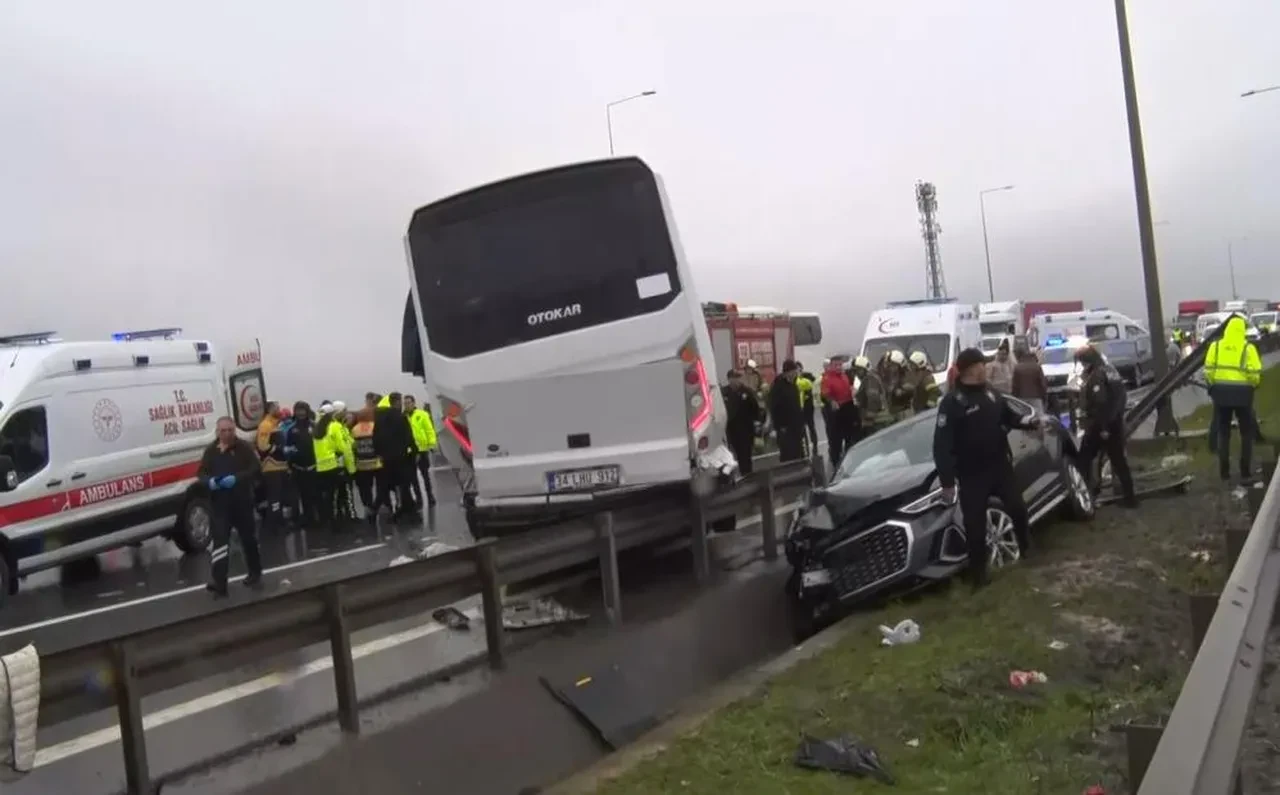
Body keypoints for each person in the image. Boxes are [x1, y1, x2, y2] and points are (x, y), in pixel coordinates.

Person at [932, 348, 1040, 590]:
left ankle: (1027, 549)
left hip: (999, 466)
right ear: (971, 369)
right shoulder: (952, 403)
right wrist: (947, 481)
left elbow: (1008, 416)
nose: (986, 367)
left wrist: (1026, 422)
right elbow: (941, 445)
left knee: (1017, 507)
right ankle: (979, 577)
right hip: (972, 474)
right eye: (982, 364)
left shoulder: (990, 392)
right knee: (975, 525)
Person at [199, 417, 263, 597]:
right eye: (223, 431)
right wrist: (209, 482)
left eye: (230, 430)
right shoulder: (211, 451)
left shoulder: (243, 448)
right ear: (217, 432)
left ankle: (255, 571)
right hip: (220, 503)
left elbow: (255, 468)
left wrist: (237, 478)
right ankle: (219, 582)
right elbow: (202, 472)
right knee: (220, 542)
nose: (227, 434)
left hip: (242, 501)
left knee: (248, 539)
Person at [1204, 314, 1263, 484]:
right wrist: (1252, 385)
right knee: (1246, 432)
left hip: (1221, 394)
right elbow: (1254, 373)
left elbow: (1208, 371)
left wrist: (1215, 386)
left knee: (1223, 432)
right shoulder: (1248, 348)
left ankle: (1224, 472)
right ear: (1242, 331)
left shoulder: (1215, 346)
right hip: (1243, 394)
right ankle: (1245, 471)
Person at [1074, 346, 1138, 506]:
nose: (1082, 365)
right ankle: (1130, 498)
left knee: (1084, 460)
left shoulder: (1096, 375)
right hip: (1115, 422)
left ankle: (1086, 495)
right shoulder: (1111, 370)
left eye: (1082, 362)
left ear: (1088, 361)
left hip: (1100, 425)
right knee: (1119, 461)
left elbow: (1100, 403)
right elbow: (1121, 396)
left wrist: (1103, 427)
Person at [374, 392, 418, 520]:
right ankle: (406, 510)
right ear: (397, 402)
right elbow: (408, 436)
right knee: (404, 483)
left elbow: (376, 437)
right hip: (401, 457)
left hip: (386, 458)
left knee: (386, 485)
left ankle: (379, 509)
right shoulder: (400, 417)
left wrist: (379, 453)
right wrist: (414, 451)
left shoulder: (380, 419)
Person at [280, 401, 318, 529]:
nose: (301, 413)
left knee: (314, 495)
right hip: (298, 468)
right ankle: (303, 520)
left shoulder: (314, 426)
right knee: (301, 496)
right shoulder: (291, 429)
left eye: (303, 410)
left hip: (314, 467)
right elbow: (287, 448)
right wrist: (290, 455)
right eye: (298, 410)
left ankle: (316, 519)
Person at [350, 406, 390, 523]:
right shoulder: (375, 427)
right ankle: (376, 506)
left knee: (365, 488)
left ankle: (368, 506)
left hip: (362, 464)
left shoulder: (354, 429)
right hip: (377, 462)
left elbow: (352, 447)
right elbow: (382, 443)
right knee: (381, 486)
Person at [255, 401, 289, 530]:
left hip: (281, 466)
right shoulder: (265, 425)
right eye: (276, 408)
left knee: (279, 497)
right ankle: (274, 524)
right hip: (271, 466)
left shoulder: (275, 425)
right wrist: (278, 449)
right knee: (274, 497)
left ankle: (279, 521)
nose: (279, 410)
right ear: (269, 410)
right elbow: (262, 445)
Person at [404, 394, 438, 508]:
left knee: (425, 475)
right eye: (405, 403)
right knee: (413, 477)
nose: (407, 405)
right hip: (410, 451)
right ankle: (419, 498)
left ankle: (430, 495)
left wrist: (432, 444)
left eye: (409, 403)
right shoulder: (403, 417)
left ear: (413, 403)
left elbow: (429, 429)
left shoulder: (422, 414)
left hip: (422, 449)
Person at [768, 360, 807, 463]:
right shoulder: (778, 387)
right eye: (793, 371)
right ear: (787, 372)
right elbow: (774, 407)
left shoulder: (793, 385)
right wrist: (779, 426)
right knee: (787, 454)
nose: (795, 374)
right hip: (785, 427)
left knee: (798, 452)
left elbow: (797, 405)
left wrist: (801, 422)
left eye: (796, 371)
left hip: (796, 426)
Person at [724, 369, 760, 474]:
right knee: (731, 457)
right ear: (729, 379)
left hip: (745, 430)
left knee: (745, 456)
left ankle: (747, 475)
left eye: (738, 378)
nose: (737, 380)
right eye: (734, 378)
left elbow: (755, 408)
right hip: (731, 430)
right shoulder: (724, 392)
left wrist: (757, 422)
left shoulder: (746, 391)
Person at [820, 360, 856, 467]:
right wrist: (831, 401)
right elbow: (825, 394)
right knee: (836, 440)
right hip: (836, 411)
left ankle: (850, 460)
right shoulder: (827, 378)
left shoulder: (844, 376)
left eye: (840, 365)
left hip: (848, 408)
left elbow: (849, 388)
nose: (839, 367)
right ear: (831, 366)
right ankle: (836, 463)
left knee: (849, 437)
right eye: (836, 365)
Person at [1011, 347, 1049, 413]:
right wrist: (1044, 396)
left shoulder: (1017, 367)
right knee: (1038, 416)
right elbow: (1042, 384)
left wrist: (1015, 397)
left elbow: (1015, 385)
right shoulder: (1037, 367)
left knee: (1025, 416)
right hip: (1036, 397)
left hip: (1022, 398)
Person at [796, 364, 819, 456]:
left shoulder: (807, 376)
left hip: (808, 407)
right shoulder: (795, 380)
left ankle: (815, 443)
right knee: (802, 428)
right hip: (800, 407)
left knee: (811, 426)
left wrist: (808, 395)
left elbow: (814, 383)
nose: (798, 371)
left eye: (799, 369)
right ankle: (804, 446)